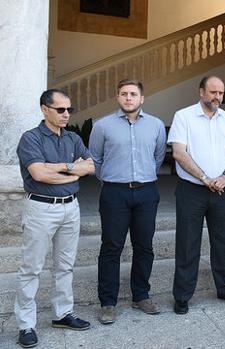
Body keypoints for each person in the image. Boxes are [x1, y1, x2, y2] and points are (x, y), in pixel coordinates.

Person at [15, 89, 94, 348]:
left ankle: (62, 314)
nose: (66, 114)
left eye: (69, 109)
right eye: (60, 109)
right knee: (31, 268)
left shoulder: (72, 137)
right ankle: (26, 325)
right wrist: (72, 171)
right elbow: (38, 174)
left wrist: (61, 167)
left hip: (70, 208)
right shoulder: (31, 138)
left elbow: (90, 166)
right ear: (44, 109)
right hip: (41, 208)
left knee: (65, 265)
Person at [89, 79, 167, 324]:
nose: (128, 98)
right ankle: (108, 302)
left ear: (142, 98)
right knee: (111, 247)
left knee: (144, 246)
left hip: (146, 192)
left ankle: (141, 295)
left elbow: (158, 156)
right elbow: (95, 159)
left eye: (133, 94)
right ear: (118, 97)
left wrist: (143, 177)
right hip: (114, 193)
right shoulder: (102, 126)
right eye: (124, 94)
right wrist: (111, 182)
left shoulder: (155, 125)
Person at [168, 76, 225, 314]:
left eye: (221, 93)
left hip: (223, 189)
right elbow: (179, 153)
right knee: (188, 244)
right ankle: (182, 296)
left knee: (222, 242)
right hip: (192, 190)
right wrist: (205, 178)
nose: (217, 97)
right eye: (213, 92)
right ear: (201, 92)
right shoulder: (184, 116)